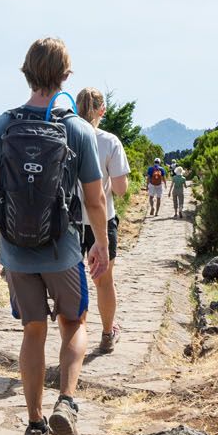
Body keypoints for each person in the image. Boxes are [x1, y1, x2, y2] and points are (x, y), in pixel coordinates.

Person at [0, 38, 110, 435]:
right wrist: (101, 245)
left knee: (33, 330)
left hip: (15, 249)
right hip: (63, 249)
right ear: (66, 76)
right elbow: (94, 200)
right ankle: (66, 402)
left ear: (26, 72)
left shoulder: (0, 126)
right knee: (74, 322)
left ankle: (34, 427)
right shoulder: (79, 129)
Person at [75, 87, 131, 353]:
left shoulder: (66, 137)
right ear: (102, 110)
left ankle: (74, 337)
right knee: (104, 281)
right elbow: (120, 189)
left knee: (73, 280)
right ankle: (108, 334)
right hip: (103, 220)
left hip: (70, 221)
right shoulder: (110, 142)